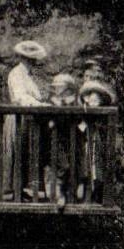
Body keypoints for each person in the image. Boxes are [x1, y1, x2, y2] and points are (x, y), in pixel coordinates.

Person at [2, 40, 48, 199]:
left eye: (33, 58)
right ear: (22, 58)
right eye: (29, 58)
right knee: (18, 152)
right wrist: (40, 106)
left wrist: (41, 105)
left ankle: (31, 191)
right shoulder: (16, 74)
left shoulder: (30, 76)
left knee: (31, 152)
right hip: (19, 118)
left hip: (31, 120)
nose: (32, 61)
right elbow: (21, 97)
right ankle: (13, 192)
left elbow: (35, 96)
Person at [74, 67, 116, 202]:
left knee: (93, 160)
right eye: (85, 76)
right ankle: (83, 190)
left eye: (89, 77)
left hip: (92, 132)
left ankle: (91, 193)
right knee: (83, 158)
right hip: (83, 131)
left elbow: (95, 111)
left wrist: (88, 107)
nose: (86, 79)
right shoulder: (83, 97)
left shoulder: (95, 96)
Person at [44, 73, 77, 205]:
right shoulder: (52, 101)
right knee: (63, 165)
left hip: (68, 139)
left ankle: (66, 193)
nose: (57, 89)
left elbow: (73, 118)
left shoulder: (72, 102)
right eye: (56, 87)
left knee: (71, 166)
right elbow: (49, 121)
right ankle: (59, 195)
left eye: (61, 87)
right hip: (54, 139)